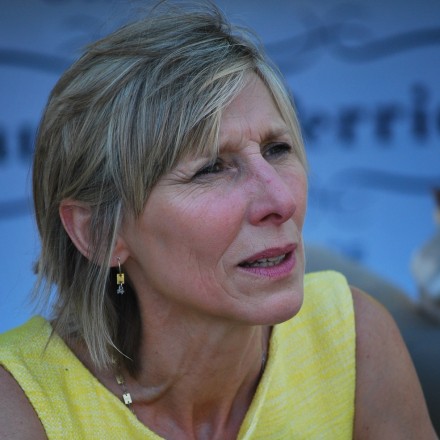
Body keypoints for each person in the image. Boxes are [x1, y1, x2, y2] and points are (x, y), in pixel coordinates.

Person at [0, 2, 436, 439]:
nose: (281, 200)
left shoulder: (351, 340)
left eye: (277, 149)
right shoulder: (20, 405)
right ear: (98, 233)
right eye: (210, 169)